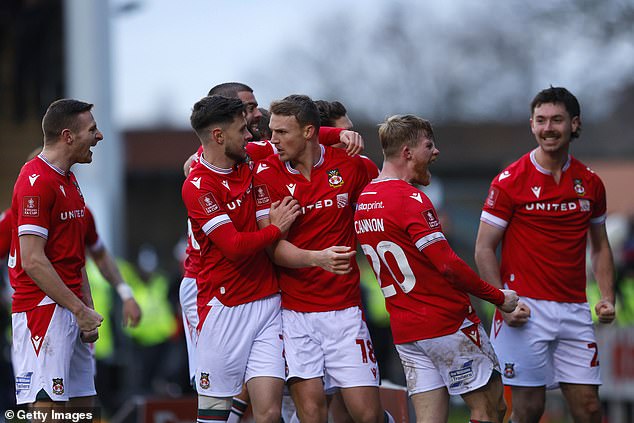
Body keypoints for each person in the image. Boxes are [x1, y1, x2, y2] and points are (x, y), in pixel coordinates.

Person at [353, 114, 518, 423]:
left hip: (406, 331)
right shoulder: (411, 198)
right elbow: (449, 265)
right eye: (428, 145)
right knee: (491, 408)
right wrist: (498, 297)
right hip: (445, 323)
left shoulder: (364, 199)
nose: (436, 152)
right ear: (407, 152)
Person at [474, 86, 616, 423]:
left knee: (590, 408)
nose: (548, 128)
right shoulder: (509, 181)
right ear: (532, 125)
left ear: (574, 124)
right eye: (540, 120)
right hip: (525, 310)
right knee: (529, 410)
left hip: (574, 310)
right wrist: (503, 302)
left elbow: (600, 245)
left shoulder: (590, 182)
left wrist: (607, 297)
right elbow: (483, 249)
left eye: (556, 120)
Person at [254, 94, 392, 423]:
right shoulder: (265, 174)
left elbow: (383, 209)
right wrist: (319, 259)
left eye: (282, 132)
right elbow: (274, 250)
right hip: (295, 314)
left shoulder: (352, 165)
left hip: (345, 313)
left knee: (368, 415)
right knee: (312, 414)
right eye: (271, 131)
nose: (273, 139)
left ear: (308, 132)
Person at [182, 94, 301, 423]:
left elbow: (300, 136)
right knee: (214, 416)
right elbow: (233, 245)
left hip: (266, 304)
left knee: (269, 412)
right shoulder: (198, 185)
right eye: (241, 130)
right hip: (224, 310)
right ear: (219, 136)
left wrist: (341, 134)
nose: (250, 136)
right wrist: (276, 230)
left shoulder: (249, 165)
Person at [8, 99, 104, 411]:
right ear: (67, 136)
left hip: (70, 308)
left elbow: (74, 255)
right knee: (50, 414)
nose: (99, 136)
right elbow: (32, 260)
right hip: (43, 311)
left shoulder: (69, 179)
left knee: (82, 409)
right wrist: (79, 309)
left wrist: (85, 305)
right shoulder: (36, 181)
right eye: (92, 130)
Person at [314, 99, 380, 180]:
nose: (352, 138)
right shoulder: (296, 168)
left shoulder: (364, 166)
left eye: (350, 131)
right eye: (343, 133)